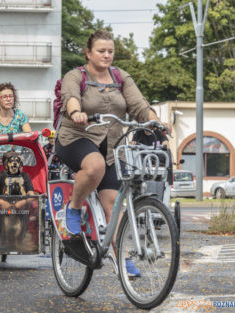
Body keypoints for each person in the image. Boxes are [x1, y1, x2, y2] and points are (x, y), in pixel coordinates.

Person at [56, 30, 161, 277]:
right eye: (101, 51)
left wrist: (155, 121)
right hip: (77, 137)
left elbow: (139, 105)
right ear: (89, 53)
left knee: (113, 204)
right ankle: (74, 207)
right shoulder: (76, 75)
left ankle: (122, 257)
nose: (107, 55)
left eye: (110, 51)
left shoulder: (120, 77)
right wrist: (76, 112)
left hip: (113, 145)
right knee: (94, 166)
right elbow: (70, 97)